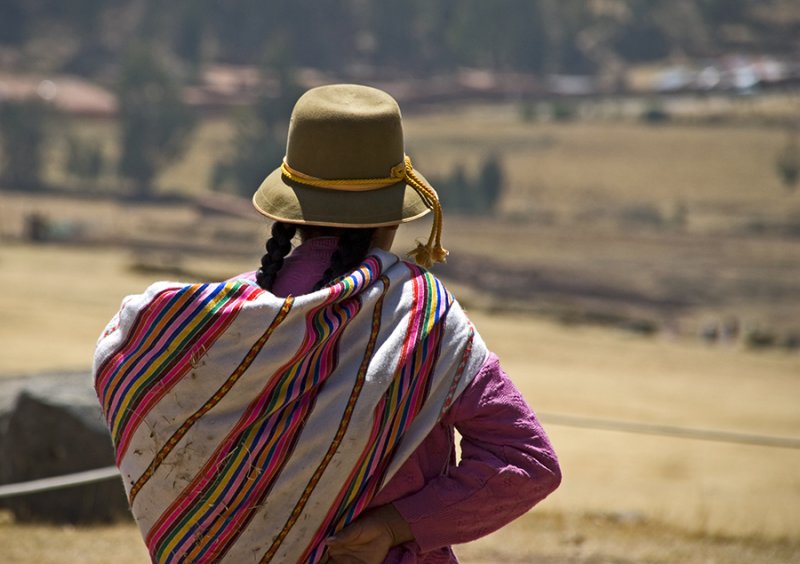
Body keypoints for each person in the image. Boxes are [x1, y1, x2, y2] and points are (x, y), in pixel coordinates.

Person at [93, 84, 560, 563]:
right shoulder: (420, 317)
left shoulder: (219, 326)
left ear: (290, 209)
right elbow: (528, 460)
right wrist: (396, 526)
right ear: (393, 214)